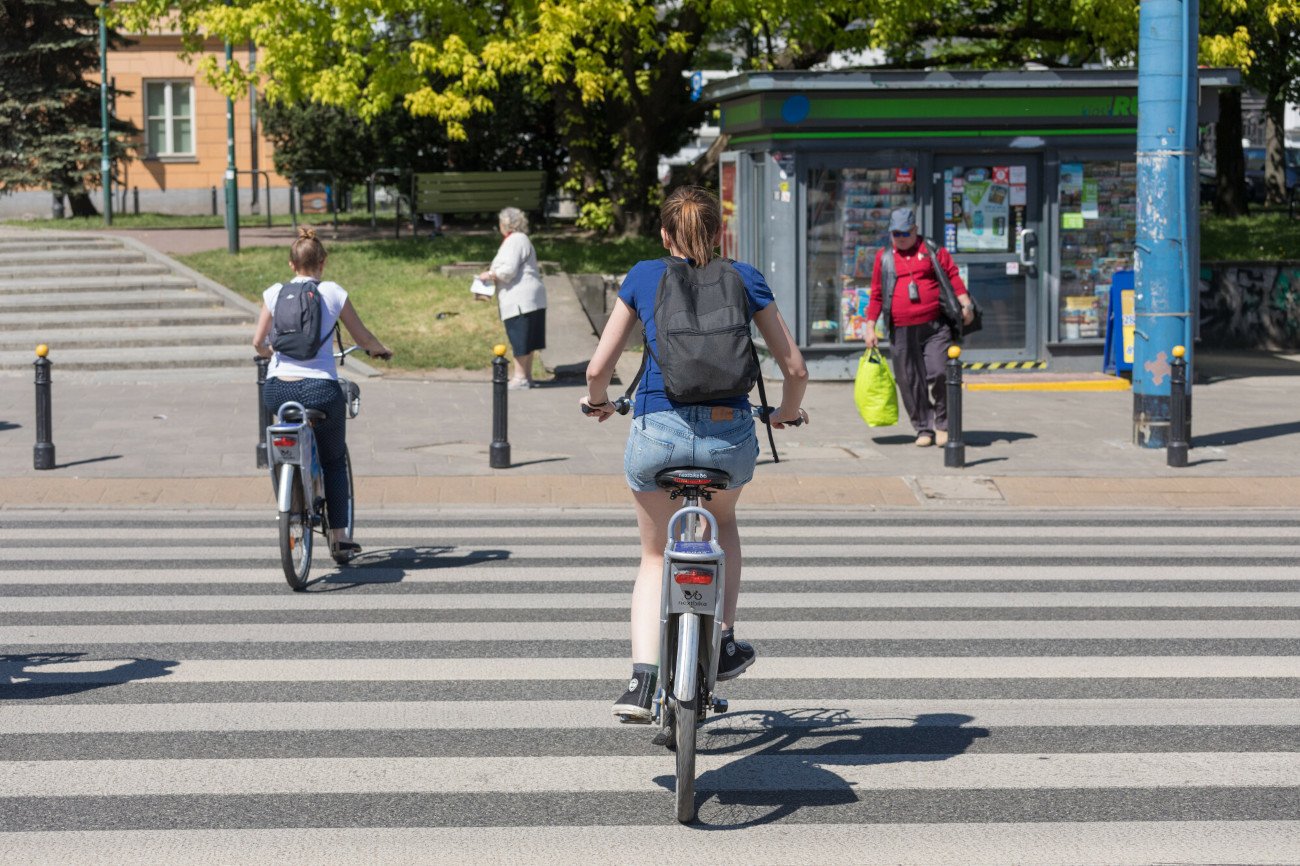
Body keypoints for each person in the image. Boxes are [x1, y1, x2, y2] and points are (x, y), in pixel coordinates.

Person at [581, 185, 809, 722]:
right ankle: (723, 640)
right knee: (722, 523)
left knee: (654, 555)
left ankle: (642, 681)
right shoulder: (745, 277)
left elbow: (597, 369)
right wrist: (784, 412)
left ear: (665, 235)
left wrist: (599, 402)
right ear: (718, 233)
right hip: (729, 436)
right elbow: (795, 368)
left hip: (656, 436)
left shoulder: (643, 276)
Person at [253, 227, 392, 553]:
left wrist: (274, 356)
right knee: (333, 459)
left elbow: (258, 343)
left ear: (291, 265)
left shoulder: (274, 292)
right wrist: (379, 350)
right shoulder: (333, 292)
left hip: (277, 390)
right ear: (323, 262)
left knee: (283, 440)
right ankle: (339, 538)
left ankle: (291, 500)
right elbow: (362, 337)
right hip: (320, 392)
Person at [863, 207, 974, 447]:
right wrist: (870, 326)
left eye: (906, 233)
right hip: (901, 329)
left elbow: (953, 276)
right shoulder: (885, 257)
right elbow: (877, 294)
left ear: (915, 229)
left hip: (935, 326)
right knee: (909, 380)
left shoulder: (932, 250)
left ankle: (942, 424)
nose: (901, 238)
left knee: (941, 371)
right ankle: (924, 428)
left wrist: (966, 304)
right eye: (896, 234)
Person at [477, 207, 546, 389]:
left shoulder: (514, 240)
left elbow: (508, 270)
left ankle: (520, 377)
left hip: (520, 299)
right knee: (528, 340)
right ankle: (527, 377)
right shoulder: (521, 239)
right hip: (532, 298)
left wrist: (489, 274)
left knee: (520, 338)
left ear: (505, 224)